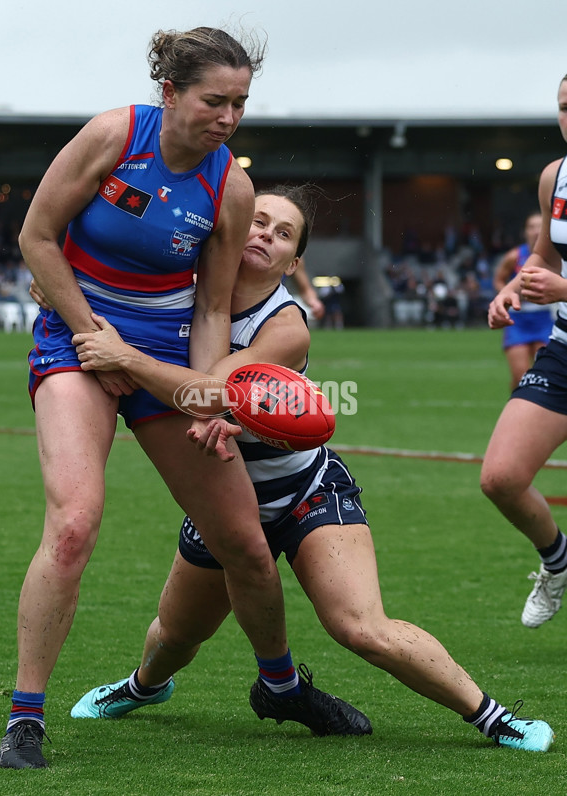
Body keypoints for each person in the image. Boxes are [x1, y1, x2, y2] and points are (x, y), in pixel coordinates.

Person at [66, 185, 553, 752]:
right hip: (221, 496)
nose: (263, 235)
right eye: (257, 221)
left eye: (282, 234)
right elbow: (105, 289)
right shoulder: (182, 289)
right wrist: (62, 290)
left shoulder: (286, 327)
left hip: (303, 489)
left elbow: (207, 391)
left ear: (293, 263)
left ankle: (495, 718)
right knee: (176, 634)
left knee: (362, 627)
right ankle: (145, 687)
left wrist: (128, 359)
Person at [0, 29, 360, 770]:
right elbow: (37, 236)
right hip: (75, 340)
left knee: (246, 546)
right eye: (214, 101)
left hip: (165, 353)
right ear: (171, 92)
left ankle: (280, 685)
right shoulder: (115, 135)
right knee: (74, 524)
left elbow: (215, 308)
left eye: (241, 103)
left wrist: (206, 397)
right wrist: (91, 334)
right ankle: (26, 717)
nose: (229, 117)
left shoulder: (232, 186)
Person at [483, 73, 567, 630]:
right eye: (564, 106)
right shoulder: (555, 177)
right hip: (564, 349)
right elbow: (545, 256)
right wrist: (516, 286)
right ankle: (558, 561)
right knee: (501, 478)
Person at [493, 212, 554, 390]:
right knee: (520, 375)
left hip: (545, 318)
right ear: (525, 232)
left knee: (543, 375)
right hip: (517, 320)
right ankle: (517, 405)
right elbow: (498, 279)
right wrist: (507, 294)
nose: (536, 231)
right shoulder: (515, 256)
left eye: (540, 226)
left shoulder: (555, 256)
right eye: (531, 227)